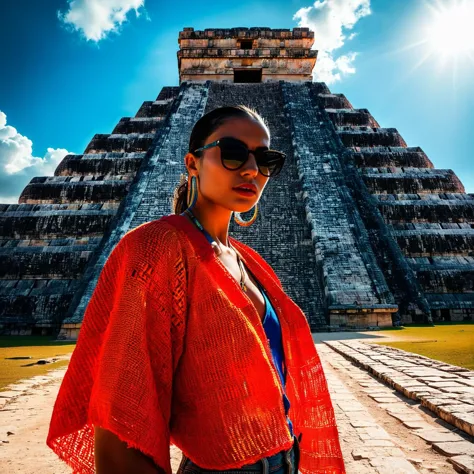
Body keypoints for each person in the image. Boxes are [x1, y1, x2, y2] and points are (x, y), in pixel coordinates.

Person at [46, 105, 346, 474]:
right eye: (233, 153)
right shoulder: (156, 248)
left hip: (286, 457)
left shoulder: (251, 263)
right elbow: (119, 421)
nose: (252, 169)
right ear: (192, 163)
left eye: (265, 159)